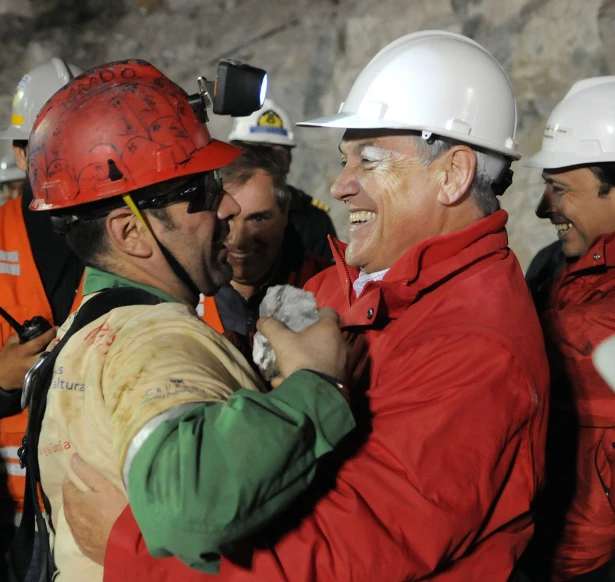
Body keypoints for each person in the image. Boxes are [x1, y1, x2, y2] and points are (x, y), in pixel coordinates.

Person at [61, 31, 551, 582]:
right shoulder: (335, 290)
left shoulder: (476, 348)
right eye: (345, 161)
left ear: (453, 174)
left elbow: (345, 556)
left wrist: (133, 552)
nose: (341, 186)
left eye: (369, 160)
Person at [17, 59, 354, 581]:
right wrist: (316, 386)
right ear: (130, 233)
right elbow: (187, 501)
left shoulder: (85, 328)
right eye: (200, 193)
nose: (223, 210)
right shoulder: (152, 339)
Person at [0, 57, 84, 582]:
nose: (56, 159)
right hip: (4, 508)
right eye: (43, 146)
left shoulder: (127, 230)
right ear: (19, 151)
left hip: (100, 501)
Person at [518, 77, 615, 582]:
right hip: (544, 545)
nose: (542, 209)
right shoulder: (551, 263)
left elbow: (555, 346)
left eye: (559, 190)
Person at [197, 144, 330, 352]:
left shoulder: (328, 285)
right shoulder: (180, 292)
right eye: (228, 218)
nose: (239, 239)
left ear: (285, 212)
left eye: (258, 219)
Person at [228, 98, 337, 259]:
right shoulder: (211, 209)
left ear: (289, 159)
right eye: (254, 154)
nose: (266, 164)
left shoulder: (314, 221)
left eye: (276, 155)